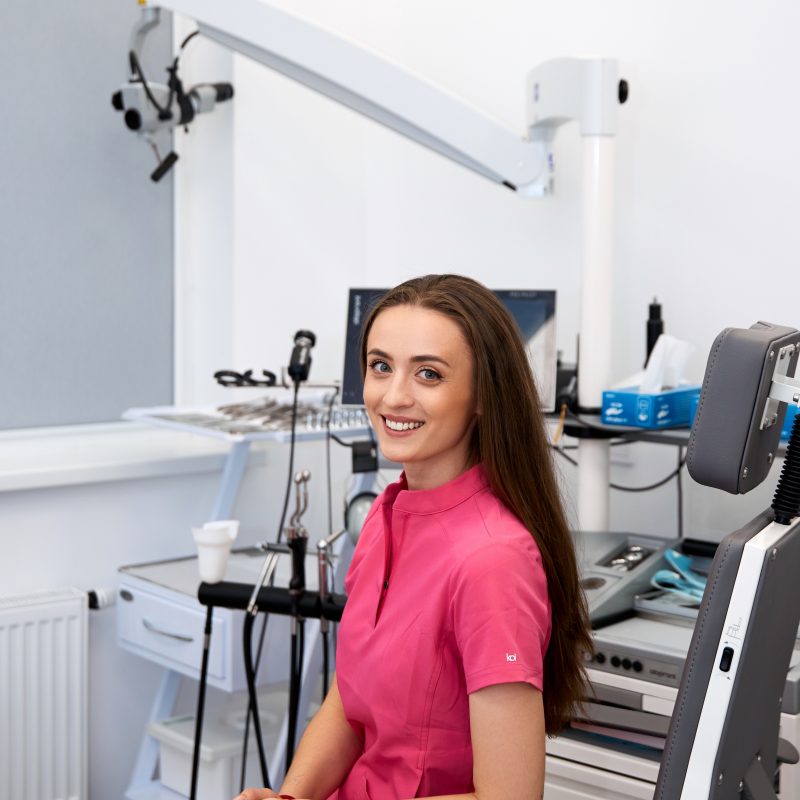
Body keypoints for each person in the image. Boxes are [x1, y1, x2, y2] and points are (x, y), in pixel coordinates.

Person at [236, 274, 591, 800]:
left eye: (428, 374)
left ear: (482, 396)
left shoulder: (493, 560)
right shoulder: (385, 515)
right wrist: (291, 797)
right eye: (381, 366)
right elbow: (349, 700)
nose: (394, 396)